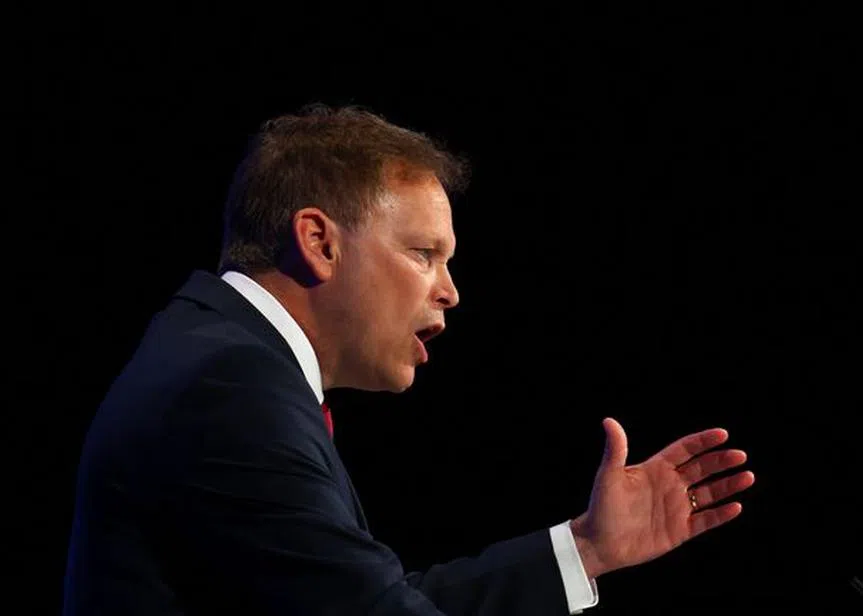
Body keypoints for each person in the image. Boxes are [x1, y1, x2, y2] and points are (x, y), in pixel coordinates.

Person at [62, 104, 755, 614]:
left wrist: (588, 547)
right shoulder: (229, 393)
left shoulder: (221, 357)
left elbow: (373, 601)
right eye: (425, 254)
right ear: (320, 242)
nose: (450, 291)